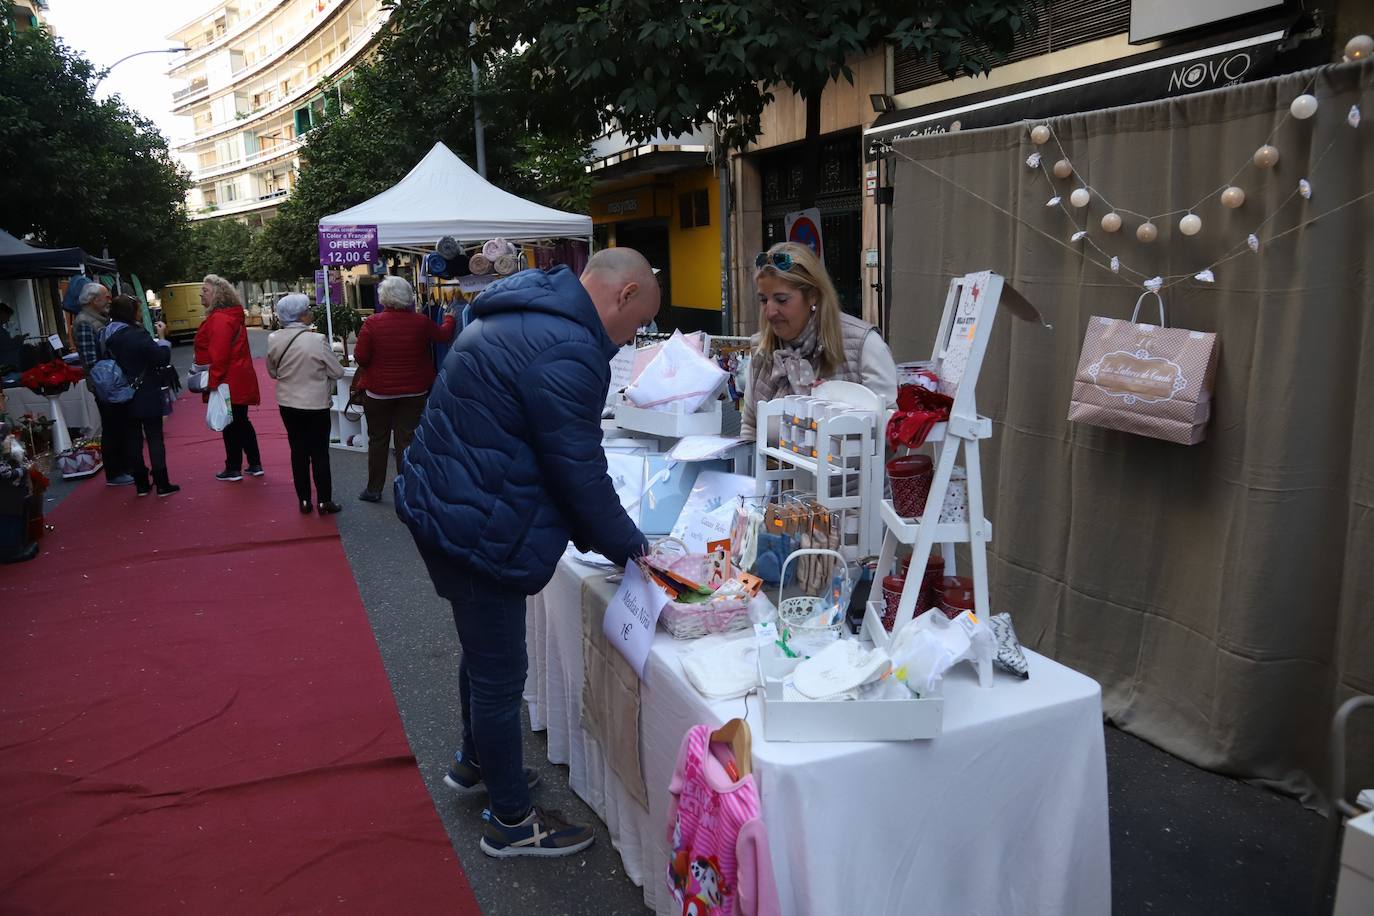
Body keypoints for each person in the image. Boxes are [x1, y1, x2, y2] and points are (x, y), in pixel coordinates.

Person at [396, 248, 658, 859]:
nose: (632, 338)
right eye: (638, 322)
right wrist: (633, 549)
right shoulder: (569, 345)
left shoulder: (522, 308)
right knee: (498, 671)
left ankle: (477, 760)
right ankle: (511, 820)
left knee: (483, 653)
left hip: (448, 504)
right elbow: (579, 471)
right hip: (476, 524)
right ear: (622, 297)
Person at [740, 241, 897, 438]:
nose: (770, 312)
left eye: (781, 300)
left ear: (812, 296)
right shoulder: (761, 350)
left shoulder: (864, 346)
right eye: (764, 300)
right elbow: (750, 428)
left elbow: (890, 435)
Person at [352, 276, 456, 503]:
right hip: (414, 391)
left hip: (378, 392)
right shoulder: (420, 321)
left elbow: (361, 356)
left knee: (377, 439)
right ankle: (407, 488)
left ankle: (374, 489)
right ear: (408, 297)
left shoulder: (372, 323)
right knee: (406, 439)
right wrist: (449, 318)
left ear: (384, 298)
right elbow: (443, 335)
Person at [266, 294, 343, 515]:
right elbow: (337, 371)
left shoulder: (274, 339)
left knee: (298, 451)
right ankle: (324, 501)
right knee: (319, 452)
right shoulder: (317, 341)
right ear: (301, 315)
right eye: (308, 310)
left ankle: (304, 501)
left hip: (288, 402)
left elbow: (273, 372)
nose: (310, 313)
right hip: (316, 404)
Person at [102, 295, 179, 497]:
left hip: (120, 391)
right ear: (131, 311)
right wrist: (162, 339)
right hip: (145, 390)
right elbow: (161, 358)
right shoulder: (137, 334)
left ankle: (141, 483)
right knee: (154, 436)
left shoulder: (106, 336)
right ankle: (162, 482)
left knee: (132, 439)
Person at [194, 274, 262, 482]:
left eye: (205, 290)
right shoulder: (229, 316)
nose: (201, 294)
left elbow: (220, 355)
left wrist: (212, 382)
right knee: (241, 421)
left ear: (217, 295)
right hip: (237, 378)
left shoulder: (220, 320)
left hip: (227, 381)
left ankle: (233, 467)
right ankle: (253, 463)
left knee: (230, 424)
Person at [71, 282, 133, 486]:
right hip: (104, 382)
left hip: (110, 379)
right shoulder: (84, 322)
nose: (109, 300)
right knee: (112, 425)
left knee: (119, 425)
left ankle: (124, 467)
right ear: (92, 300)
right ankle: (115, 472)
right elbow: (90, 360)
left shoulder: (98, 319)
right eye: (104, 296)